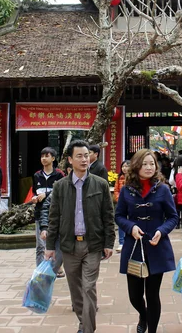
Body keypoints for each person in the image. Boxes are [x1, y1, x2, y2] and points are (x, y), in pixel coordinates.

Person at [44, 140, 115, 333]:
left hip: (92, 245)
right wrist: (50, 246)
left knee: (88, 288)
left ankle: (87, 330)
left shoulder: (100, 184)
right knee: (76, 292)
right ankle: (84, 323)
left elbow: (108, 216)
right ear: (69, 160)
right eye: (79, 156)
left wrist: (109, 242)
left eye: (86, 156)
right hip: (69, 246)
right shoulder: (60, 187)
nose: (84, 160)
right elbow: (53, 218)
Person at [115, 149, 179, 333]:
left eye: (152, 163)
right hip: (134, 247)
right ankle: (143, 315)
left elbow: (173, 217)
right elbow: (119, 216)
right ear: (136, 166)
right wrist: (131, 227)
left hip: (156, 246)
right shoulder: (127, 189)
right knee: (134, 296)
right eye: (145, 164)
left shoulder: (163, 189)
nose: (149, 167)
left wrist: (161, 230)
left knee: (152, 294)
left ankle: (152, 329)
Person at [33, 147, 65, 272]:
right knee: (40, 245)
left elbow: (62, 192)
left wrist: (46, 195)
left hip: (56, 214)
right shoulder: (37, 175)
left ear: (53, 158)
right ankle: (41, 271)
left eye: (47, 156)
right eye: (42, 156)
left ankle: (55, 268)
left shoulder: (59, 175)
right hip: (40, 213)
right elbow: (35, 191)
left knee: (55, 244)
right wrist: (35, 198)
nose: (44, 159)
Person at [113, 160, 131, 252]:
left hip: (131, 203)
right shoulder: (119, 178)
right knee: (121, 223)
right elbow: (116, 190)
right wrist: (119, 198)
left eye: (127, 166)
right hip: (121, 204)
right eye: (123, 166)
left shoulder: (133, 178)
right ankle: (121, 242)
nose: (125, 168)